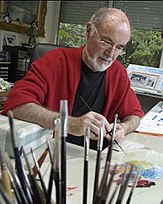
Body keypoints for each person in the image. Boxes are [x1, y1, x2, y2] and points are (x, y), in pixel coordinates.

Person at [2, 7, 144, 150]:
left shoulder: (117, 72)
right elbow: (16, 106)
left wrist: (123, 128)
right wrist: (68, 124)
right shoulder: (53, 62)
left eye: (119, 47)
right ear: (89, 31)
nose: (111, 53)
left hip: (94, 159)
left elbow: (135, 115)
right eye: (106, 42)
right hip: (49, 154)